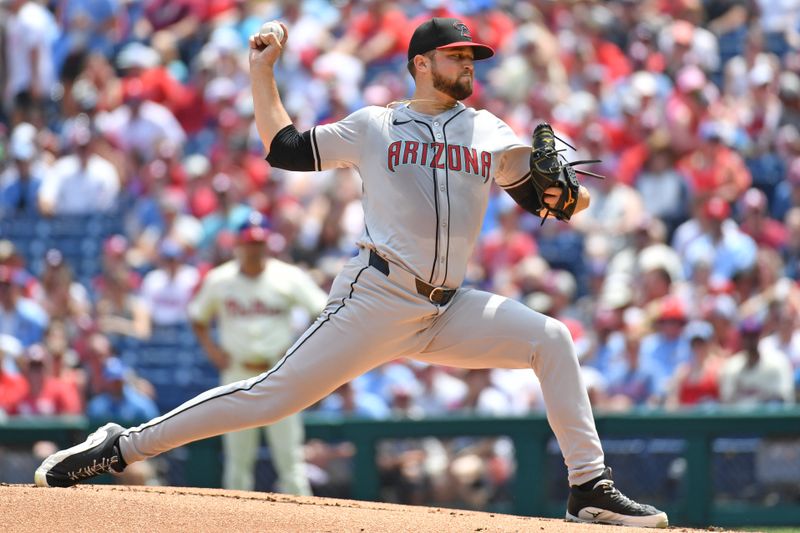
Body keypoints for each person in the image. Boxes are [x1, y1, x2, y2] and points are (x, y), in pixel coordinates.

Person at [34, 18, 668, 528]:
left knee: (551, 338)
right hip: (378, 296)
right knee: (271, 396)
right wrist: (263, 72)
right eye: (456, 56)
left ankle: (589, 487)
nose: (468, 65)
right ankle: (121, 447)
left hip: (446, 309)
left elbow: (544, 196)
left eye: (472, 57)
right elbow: (283, 149)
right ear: (421, 63)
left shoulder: (488, 128)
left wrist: (572, 197)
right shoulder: (377, 124)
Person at [188, 213, 327, 495]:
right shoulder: (220, 279)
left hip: (280, 373)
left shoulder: (287, 275)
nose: (254, 249)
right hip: (237, 373)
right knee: (238, 461)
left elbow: (323, 310)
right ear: (237, 245)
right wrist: (213, 352)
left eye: (259, 243)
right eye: (249, 243)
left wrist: (299, 349)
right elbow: (197, 316)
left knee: (290, 459)